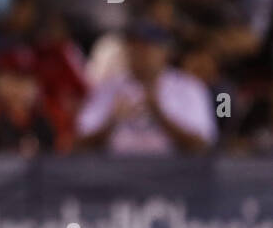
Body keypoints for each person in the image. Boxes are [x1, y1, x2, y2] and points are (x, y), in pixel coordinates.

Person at [76, 22, 216, 154]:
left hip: (173, 173)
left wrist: (159, 114)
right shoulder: (109, 87)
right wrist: (111, 121)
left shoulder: (188, 87)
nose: (137, 54)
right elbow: (80, 143)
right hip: (117, 172)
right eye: (132, 47)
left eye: (145, 48)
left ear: (164, 51)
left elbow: (202, 145)